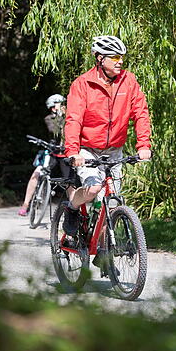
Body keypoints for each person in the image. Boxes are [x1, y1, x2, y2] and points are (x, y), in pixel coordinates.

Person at [62, 35, 152, 236]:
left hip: (114, 149)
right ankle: (72, 207)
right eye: (115, 57)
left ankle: (105, 256)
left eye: (121, 57)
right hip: (87, 149)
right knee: (93, 189)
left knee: (112, 202)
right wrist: (73, 152)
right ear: (100, 58)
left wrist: (143, 145)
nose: (120, 61)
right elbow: (74, 119)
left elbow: (141, 112)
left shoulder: (128, 81)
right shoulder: (83, 84)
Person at [17, 94, 68, 216]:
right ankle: (26, 204)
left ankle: (72, 208)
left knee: (69, 180)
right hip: (52, 152)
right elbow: (55, 131)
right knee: (37, 173)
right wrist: (60, 116)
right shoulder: (49, 118)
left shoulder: (70, 118)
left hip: (66, 153)